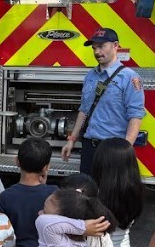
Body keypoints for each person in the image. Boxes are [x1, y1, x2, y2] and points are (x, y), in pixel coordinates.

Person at [61, 28, 145, 174]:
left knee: (110, 195)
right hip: (89, 147)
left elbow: (135, 116)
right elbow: (84, 111)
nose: (97, 52)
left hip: (112, 150)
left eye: (101, 46)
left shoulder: (130, 78)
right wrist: (72, 140)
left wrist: (125, 151)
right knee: (87, 192)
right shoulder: (90, 76)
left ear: (115, 46)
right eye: (94, 48)